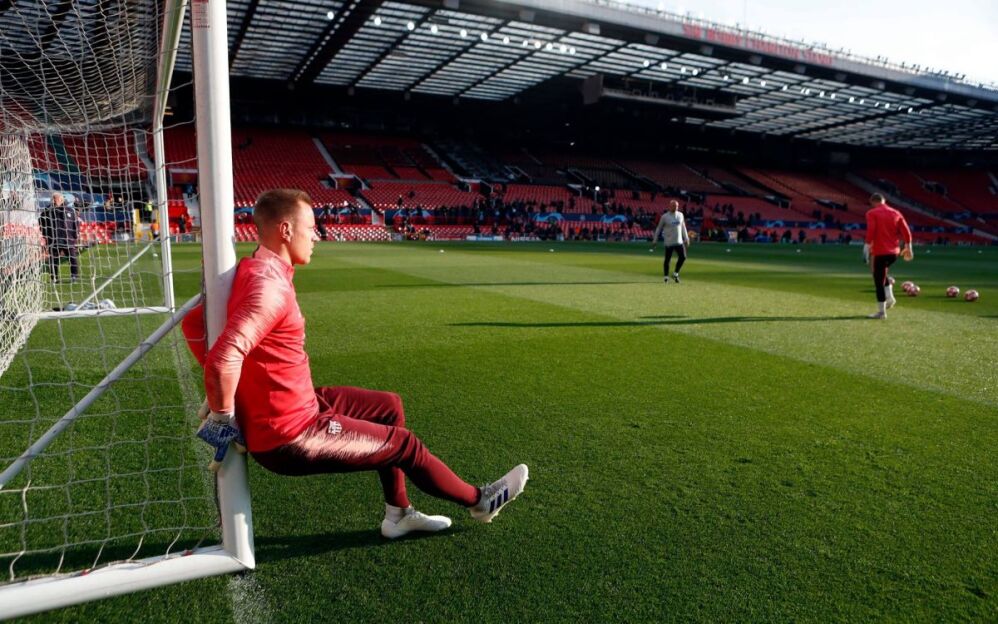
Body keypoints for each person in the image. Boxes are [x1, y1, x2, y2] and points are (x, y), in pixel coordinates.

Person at [182, 189, 528, 539]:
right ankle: (481, 502)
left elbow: (194, 323)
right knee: (404, 445)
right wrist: (226, 417)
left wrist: (239, 399)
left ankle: (398, 515)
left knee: (389, 407)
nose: (316, 236)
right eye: (311, 228)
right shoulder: (269, 286)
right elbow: (224, 357)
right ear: (285, 230)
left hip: (301, 404)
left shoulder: (255, 267)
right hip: (292, 435)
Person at [863, 193, 912, 319]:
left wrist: (866, 246)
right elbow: (906, 231)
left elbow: (871, 230)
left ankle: (881, 312)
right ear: (884, 201)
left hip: (880, 251)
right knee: (881, 274)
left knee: (878, 281)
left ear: (873, 202)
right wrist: (909, 247)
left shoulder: (872, 213)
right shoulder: (896, 212)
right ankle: (890, 298)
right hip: (894, 253)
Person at [38, 192, 80, 283]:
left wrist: (75, 236)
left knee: (72, 258)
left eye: (55, 199)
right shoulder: (47, 211)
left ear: (61, 199)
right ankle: (54, 278)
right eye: (52, 199)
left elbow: (75, 224)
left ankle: (74, 276)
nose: (53, 201)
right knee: (54, 260)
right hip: (53, 240)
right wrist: (45, 235)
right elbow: (41, 223)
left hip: (68, 239)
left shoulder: (70, 210)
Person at [650, 200, 690, 283]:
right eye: (674, 206)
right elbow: (659, 228)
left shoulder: (680, 215)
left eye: (677, 206)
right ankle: (666, 277)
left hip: (679, 241)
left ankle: (675, 274)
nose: (675, 207)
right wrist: (655, 239)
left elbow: (683, 227)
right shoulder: (665, 217)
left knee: (683, 257)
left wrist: (686, 238)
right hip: (669, 242)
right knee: (667, 259)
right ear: (670, 206)